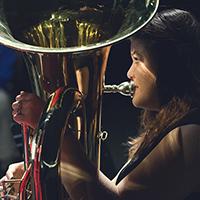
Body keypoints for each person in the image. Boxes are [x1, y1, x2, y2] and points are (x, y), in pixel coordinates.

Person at [1, 8, 200, 199]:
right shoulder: (172, 131)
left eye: (137, 59)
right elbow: (104, 191)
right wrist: (38, 173)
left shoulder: (191, 133)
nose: (129, 73)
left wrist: (53, 125)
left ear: (167, 68)